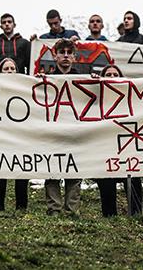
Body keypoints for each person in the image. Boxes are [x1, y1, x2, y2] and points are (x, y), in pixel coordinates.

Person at [94, 64, 143, 217]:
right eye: (108, 75)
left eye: (115, 75)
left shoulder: (130, 96)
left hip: (126, 147)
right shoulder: (96, 98)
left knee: (133, 178)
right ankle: (109, 215)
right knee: (107, 181)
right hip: (105, 149)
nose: (112, 78)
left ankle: (136, 213)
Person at [43, 38, 83, 214]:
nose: (66, 56)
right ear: (55, 56)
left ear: (74, 57)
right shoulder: (45, 79)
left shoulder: (84, 80)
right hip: (52, 130)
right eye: (62, 53)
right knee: (52, 170)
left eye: (69, 53)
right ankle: (54, 209)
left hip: (75, 130)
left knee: (74, 171)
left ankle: (71, 210)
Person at [0, 57, 29, 212]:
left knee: (22, 172)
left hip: (20, 136)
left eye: (12, 69)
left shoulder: (25, 88)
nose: (10, 71)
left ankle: (21, 207)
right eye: (6, 69)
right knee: (0, 173)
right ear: (0, 72)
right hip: (1, 136)